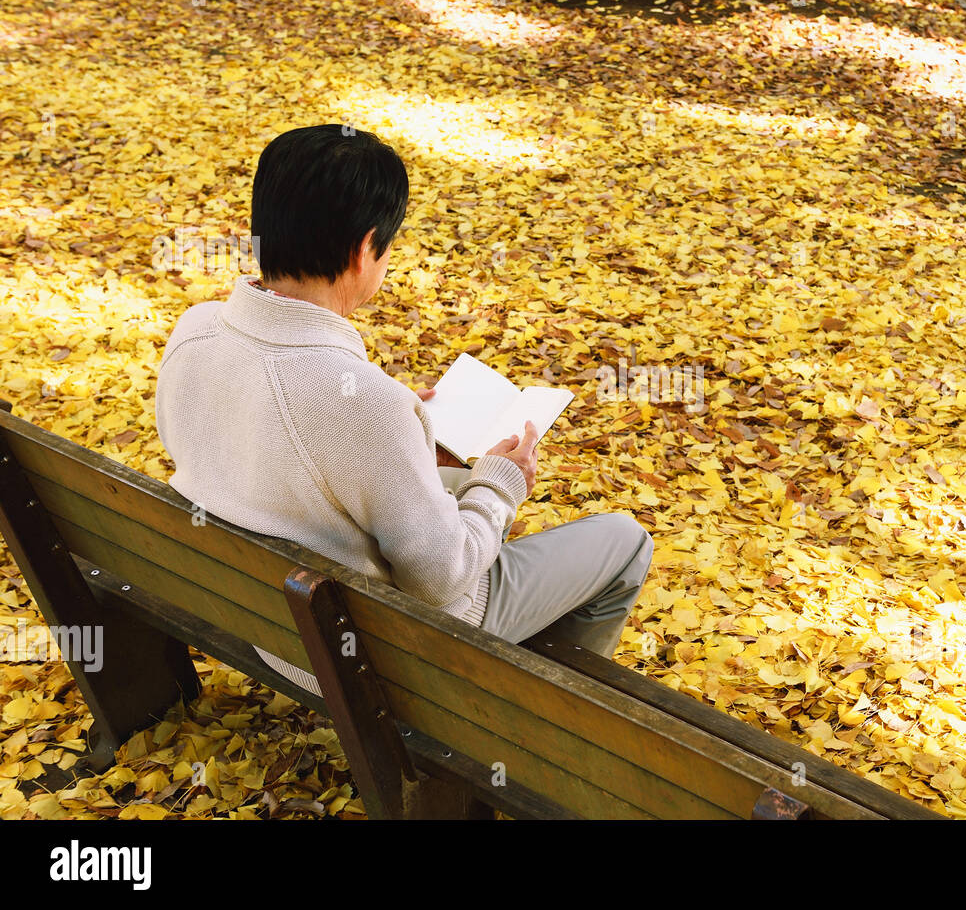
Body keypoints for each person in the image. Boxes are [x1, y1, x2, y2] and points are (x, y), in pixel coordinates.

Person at [154, 124, 653, 696]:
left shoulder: (195, 331)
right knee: (624, 540)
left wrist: (403, 432)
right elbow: (443, 581)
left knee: (457, 478)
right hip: (372, 653)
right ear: (364, 249)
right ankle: (537, 719)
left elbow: (250, 443)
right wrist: (500, 484)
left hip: (261, 613)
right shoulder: (366, 405)